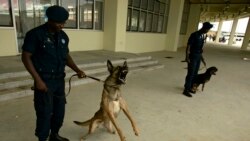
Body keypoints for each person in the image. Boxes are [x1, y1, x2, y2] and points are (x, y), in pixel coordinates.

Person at [21, 5, 86, 141]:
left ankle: (54, 135)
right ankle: (42, 139)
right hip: (44, 81)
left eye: (63, 23)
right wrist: (38, 80)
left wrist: (77, 70)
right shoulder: (35, 35)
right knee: (44, 113)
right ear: (49, 20)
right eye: (59, 23)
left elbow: (66, 56)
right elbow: (26, 57)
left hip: (59, 81)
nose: (62, 26)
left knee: (59, 112)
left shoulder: (63, 36)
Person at [183, 22, 213, 97]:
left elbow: (200, 49)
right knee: (191, 73)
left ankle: (190, 87)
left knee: (195, 74)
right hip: (193, 56)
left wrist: (202, 59)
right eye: (207, 29)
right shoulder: (194, 35)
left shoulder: (202, 36)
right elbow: (188, 46)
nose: (207, 31)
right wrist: (187, 57)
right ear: (204, 28)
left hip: (198, 56)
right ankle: (186, 90)